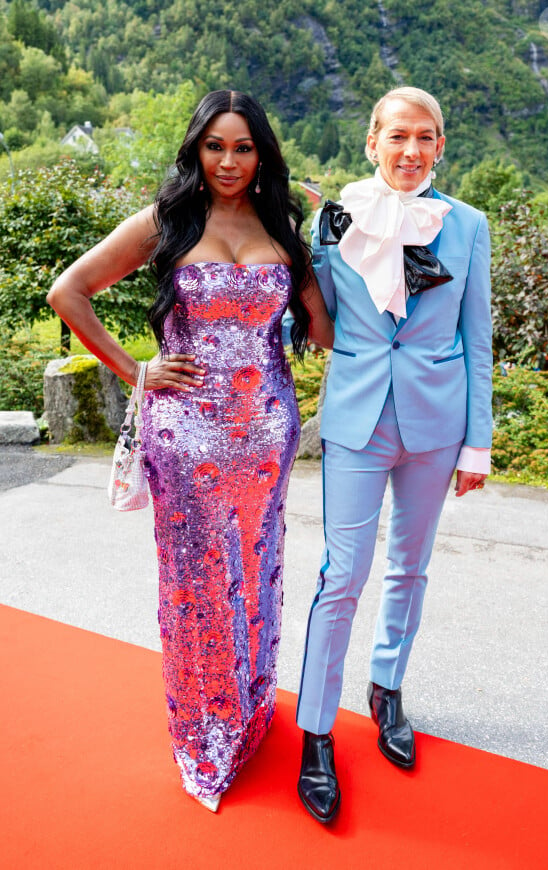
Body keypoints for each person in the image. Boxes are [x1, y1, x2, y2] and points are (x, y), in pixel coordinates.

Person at [47, 89, 333, 813]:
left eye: (243, 147)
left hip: (267, 437)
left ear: (262, 153)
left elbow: (324, 331)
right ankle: (207, 732)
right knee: (199, 590)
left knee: (257, 574)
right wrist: (135, 369)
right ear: (196, 149)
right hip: (187, 437)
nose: (229, 161)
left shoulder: (283, 227)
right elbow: (68, 291)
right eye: (215, 146)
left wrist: (345, 245)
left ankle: (250, 710)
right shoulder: (165, 221)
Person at [296, 86, 493, 824]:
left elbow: (479, 338)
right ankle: (316, 730)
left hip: (437, 428)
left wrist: (479, 443)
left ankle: (387, 689)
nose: (411, 150)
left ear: (441, 146)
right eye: (398, 136)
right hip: (355, 418)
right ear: (372, 141)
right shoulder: (333, 218)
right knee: (341, 574)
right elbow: (312, 314)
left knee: (411, 566)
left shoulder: (469, 226)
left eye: (427, 137)